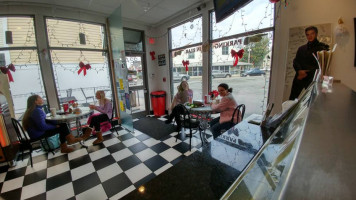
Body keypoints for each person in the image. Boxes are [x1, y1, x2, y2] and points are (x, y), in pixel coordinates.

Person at [289, 26, 329, 100]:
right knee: (292, 99)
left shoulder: (323, 48)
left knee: (314, 100)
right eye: (307, 34)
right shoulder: (301, 49)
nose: (310, 36)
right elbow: (296, 61)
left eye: (312, 34)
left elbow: (324, 65)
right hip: (300, 76)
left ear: (316, 34)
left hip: (313, 77)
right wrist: (299, 71)